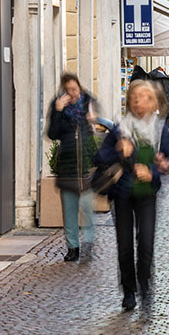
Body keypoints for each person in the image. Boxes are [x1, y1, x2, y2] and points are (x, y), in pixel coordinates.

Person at [95, 80, 169, 311]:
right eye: (135, 97)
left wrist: (154, 170)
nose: (138, 101)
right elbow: (100, 158)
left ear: (153, 102)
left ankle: (145, 286)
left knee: (146, 243)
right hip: (121, 195)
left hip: (147, 196)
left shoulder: (160, 129)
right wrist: (117, 150)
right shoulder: (121, 128)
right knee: (124, 246)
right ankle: (129, 291)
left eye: (144, 97)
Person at [47, 73, 98, 262]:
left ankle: (88, 244)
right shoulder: (58, 105)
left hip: (86, 164)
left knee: (86, 208)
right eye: (68, 91)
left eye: (75, 89)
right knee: (69, 210)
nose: (72, 94)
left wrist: (94, 121)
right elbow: (52, 134)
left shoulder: (89, 104)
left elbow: (97, 131)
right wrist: (59, 111)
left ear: (80, 87)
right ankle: (72, 247)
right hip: (67, 166)